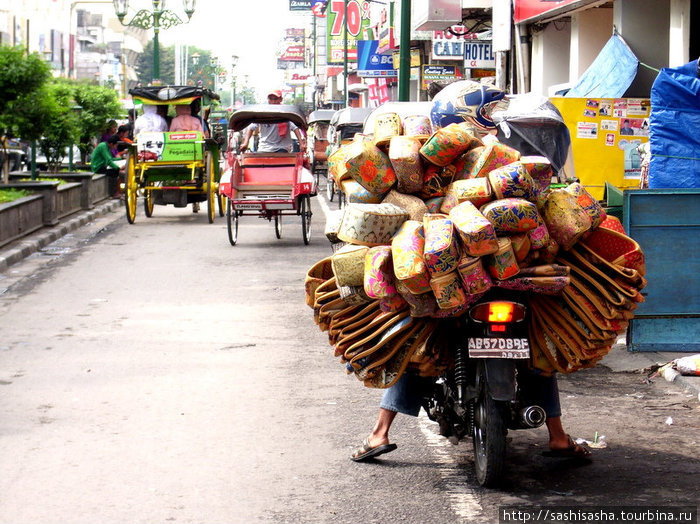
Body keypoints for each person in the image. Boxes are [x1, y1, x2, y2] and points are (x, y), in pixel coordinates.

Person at [351, 370, 591, 462]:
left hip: (452, 299)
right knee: (539, 361)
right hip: (515, 293)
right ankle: (558, 436)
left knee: (416, 354)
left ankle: (379, 434)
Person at [239, 89, 306, 153]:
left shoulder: (286, 113)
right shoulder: (263, 113)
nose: (273, 102)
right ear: (268, 100)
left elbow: (295, 128)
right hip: (264, 147)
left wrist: (301, 143)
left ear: (280, 99)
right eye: (271, 99)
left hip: (282, 147)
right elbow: (251, 127)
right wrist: (246, 143)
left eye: (275, 99)